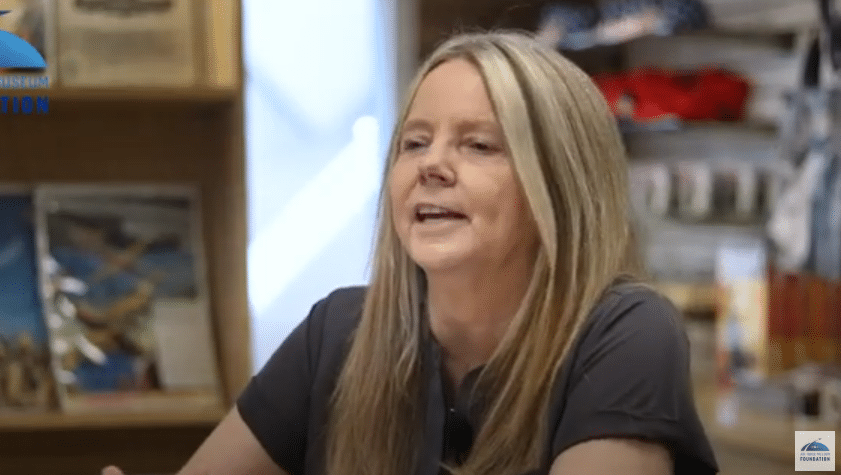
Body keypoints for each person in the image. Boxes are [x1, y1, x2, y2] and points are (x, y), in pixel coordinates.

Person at [104, 30, 719, 475]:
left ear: (559, 186)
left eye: (478, 145)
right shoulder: (338, 333)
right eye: (414, 142)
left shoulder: (628, 332)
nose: (431, 166)